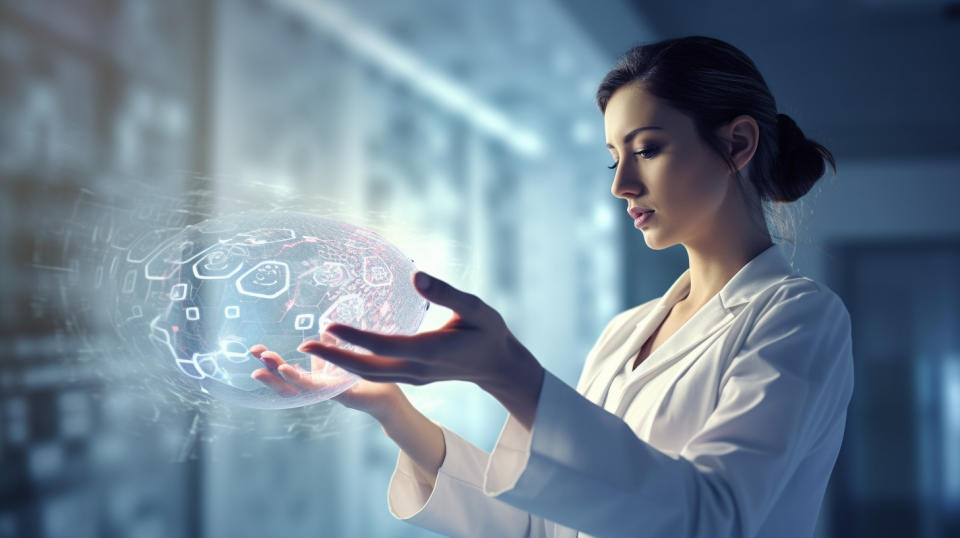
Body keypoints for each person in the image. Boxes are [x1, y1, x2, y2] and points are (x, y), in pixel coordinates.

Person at [250, 35, 853, 538]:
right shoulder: (627, 332)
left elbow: (708, 519)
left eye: (648, 149)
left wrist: (511, 373)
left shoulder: (799, 319)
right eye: (613, 157)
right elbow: (545, 527)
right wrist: (391, 408)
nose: (622, 184)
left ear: (738, 143)